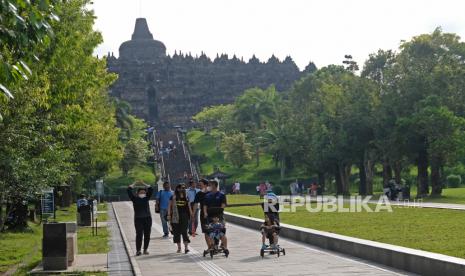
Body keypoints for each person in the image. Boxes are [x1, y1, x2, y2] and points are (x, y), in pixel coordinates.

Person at [127, 181, 153, 256]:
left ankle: (145, 249)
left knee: (147, 234)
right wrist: (134, 183)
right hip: (138, 219)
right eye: (141, 192)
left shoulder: (146, 198)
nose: (142, 193)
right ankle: (138, 250)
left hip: (147, 218)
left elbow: (151, 189)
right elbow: (128, 190)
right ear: (137, 193)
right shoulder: (134, 199)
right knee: (139, 234)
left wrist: (144, 183)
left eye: (144, 192)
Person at [203, 180, 229, 255]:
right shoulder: (207, 195)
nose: (209, 186)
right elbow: (205, 205)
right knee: (208, 231)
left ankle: (224, 246)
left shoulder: (221, 194)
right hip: (209, 216)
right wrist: (205, 213)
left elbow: (223, 204)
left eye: (210, 185)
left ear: (214, 185)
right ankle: (212, 246)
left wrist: (219, 211)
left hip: (219, 216)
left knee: (221, 230)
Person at [168, 184, 192, 253]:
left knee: (184, 231)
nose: (183, 189)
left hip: (184, 216)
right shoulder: (173, 197)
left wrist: (191, 214)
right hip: (175, 216)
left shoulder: (186, 197)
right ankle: (179, 248)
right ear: (178, 189)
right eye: (182, 188)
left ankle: (186, 248)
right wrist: (169, 215)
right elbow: (169, 206)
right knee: (176, 232)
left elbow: (189, 206)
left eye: (184, 188)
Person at [194, 179, 210, 249]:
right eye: (199, 185)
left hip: (213, 214)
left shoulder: (211, 193)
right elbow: (195, 204)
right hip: (203, 215)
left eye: (201, 184)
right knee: (206, 231)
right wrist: (193, 213)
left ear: (206, 185)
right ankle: (209, 247)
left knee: (214, 230)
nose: (199, 186)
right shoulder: (199, 194)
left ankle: (215, 244)